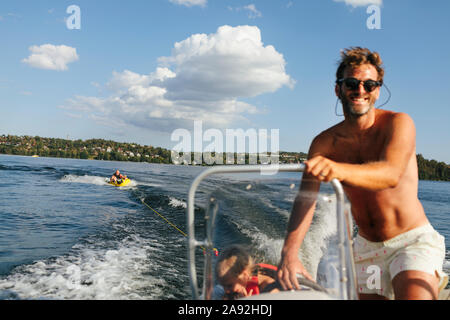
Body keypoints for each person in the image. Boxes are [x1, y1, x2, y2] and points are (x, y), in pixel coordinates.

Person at [277, 47, 448, 300]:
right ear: (338, 89)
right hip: (367, 250)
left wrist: (337, 168)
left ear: (377, 91)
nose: (360, 91)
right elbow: (306, 201)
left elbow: (390, 174)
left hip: (412, 242)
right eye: (352, 83)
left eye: (369, 85)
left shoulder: (398, 124)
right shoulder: (324, 143)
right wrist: (289, 255)